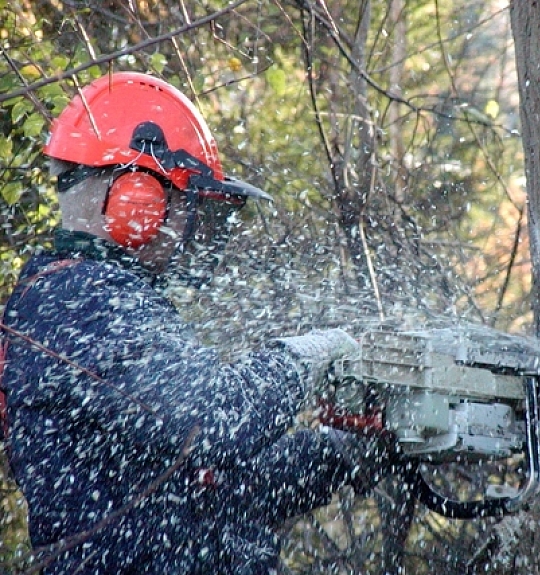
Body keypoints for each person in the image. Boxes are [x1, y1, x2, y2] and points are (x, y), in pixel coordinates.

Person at [0, 72, 396, 574]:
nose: (191, 227)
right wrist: (307, 355)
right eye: (187, 205)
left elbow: (214, 488)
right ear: (136, 199)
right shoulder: (82, 301)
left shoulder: (87, 299)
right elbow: (220, 419)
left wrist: (345, 452)